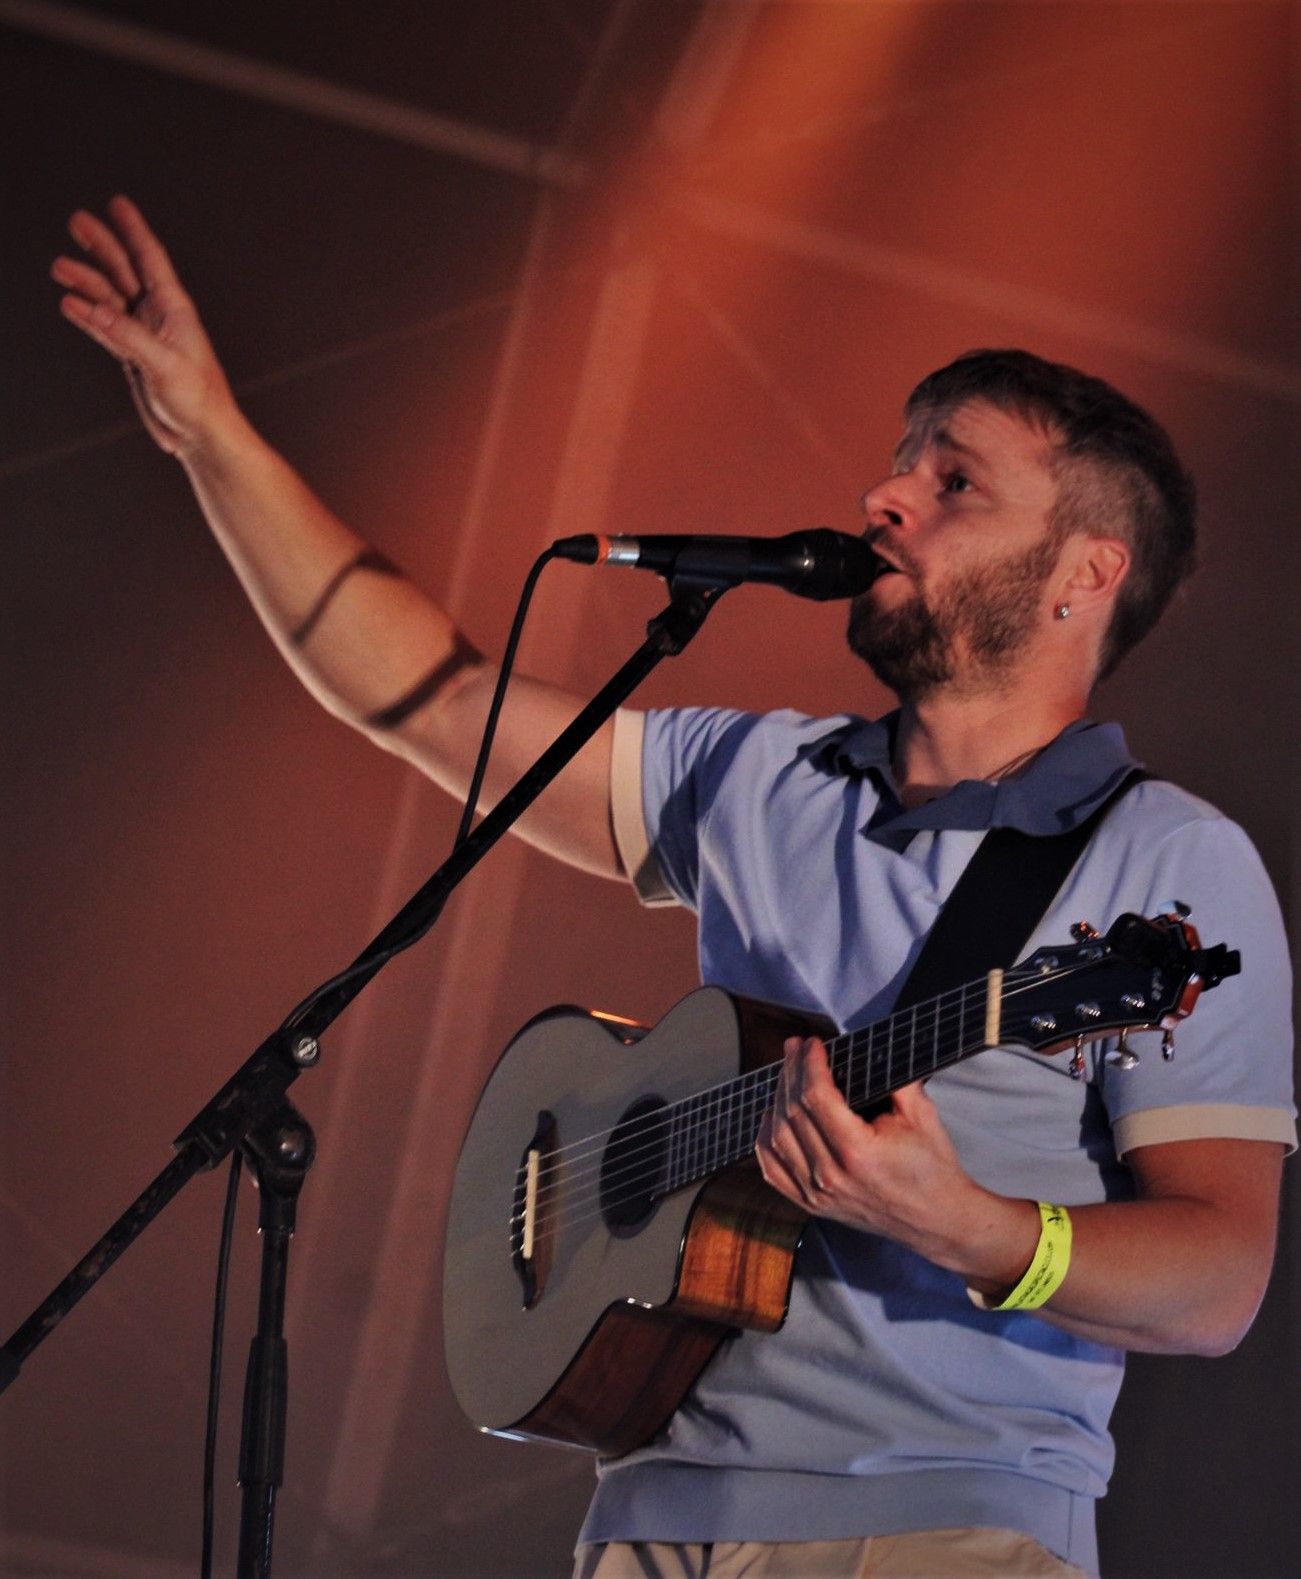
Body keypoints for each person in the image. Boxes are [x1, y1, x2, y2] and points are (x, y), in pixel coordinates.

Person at [53, 197, 1293, 1579]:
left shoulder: (1166, 870)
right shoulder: (759, 775)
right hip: (647, 1523)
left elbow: (1216, 1282)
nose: (883, 499)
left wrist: (972, 1228)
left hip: (945, 1528)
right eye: (897, 465)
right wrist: (210, 432)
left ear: (1084, 575)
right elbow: (432, 700)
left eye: (953, 484)